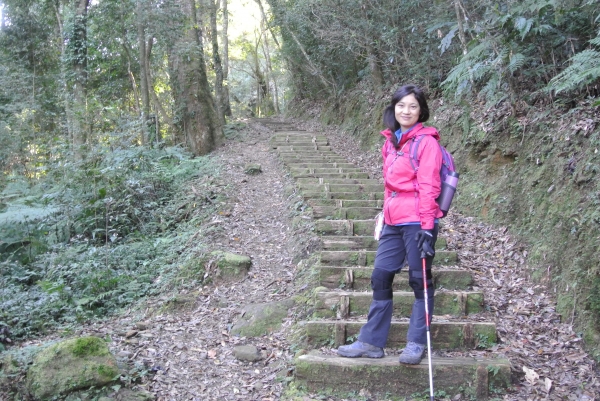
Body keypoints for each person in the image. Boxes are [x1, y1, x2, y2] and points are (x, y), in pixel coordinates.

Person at [337, 84, 443, 364]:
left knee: (419, 281)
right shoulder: (390, 142)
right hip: (393, 220)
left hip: (417, 220)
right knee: (380, 277)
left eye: (412, 106)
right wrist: (383, 215)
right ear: (393, 108)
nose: (406, 111)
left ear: (421, 111)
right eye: (401, 105)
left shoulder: (427, 142)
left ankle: (416, 343)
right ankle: (372, 342)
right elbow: (388, 185)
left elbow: (430, 185)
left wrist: (428, 227)